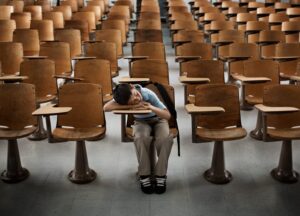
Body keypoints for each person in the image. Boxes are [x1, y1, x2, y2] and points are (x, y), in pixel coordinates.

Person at [104, 83, 173, 194]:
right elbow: (106, 107)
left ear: (132, 87)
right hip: (141, 122)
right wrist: (130, 106)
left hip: (159, 120)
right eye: (132, 101)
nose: (136, 99)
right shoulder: (122, 96)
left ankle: (161, 175)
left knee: (165, 139)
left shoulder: (147, 93)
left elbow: (167, 115)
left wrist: (151, 107)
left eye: (135, 95)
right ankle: (144, 175)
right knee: (140, 138)